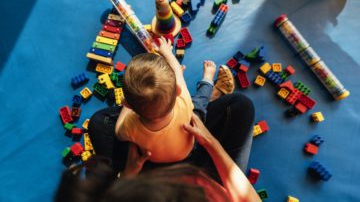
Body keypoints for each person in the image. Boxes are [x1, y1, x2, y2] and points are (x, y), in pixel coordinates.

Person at [55, 113, 260, 202]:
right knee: (239, 107)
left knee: (101, 123)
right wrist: (210, 142)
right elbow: (249, 198)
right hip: (197, 177)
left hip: (159, 173)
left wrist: (128, 174)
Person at [115, 36, 232, 163]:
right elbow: (177, 69)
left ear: (127, 104)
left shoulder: (130, 126)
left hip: (156, 160)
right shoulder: (183, 101)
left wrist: (126, 107)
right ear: (178, 90)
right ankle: (208, 80)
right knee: (199, 104)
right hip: (189, 148)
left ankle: (211, 88)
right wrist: (166, 52)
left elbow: (117, 132)